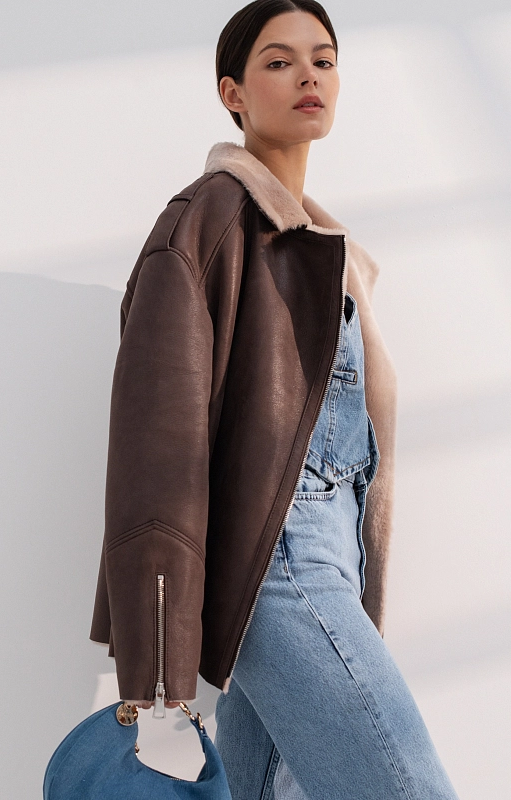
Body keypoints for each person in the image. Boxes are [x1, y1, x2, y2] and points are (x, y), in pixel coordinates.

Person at [89, 1, 460, 797]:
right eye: (279, 61)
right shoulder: (207, 221)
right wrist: (157, 670)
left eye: (323, 60)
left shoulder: (330, 254)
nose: (308, 77)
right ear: (233, 92)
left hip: (329, 562)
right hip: (279, 567)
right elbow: (157, 449)